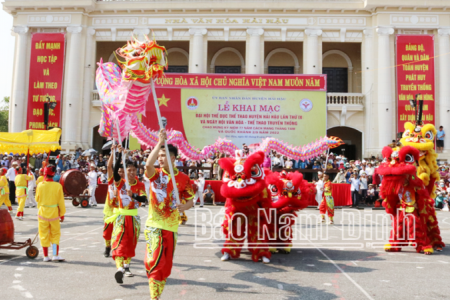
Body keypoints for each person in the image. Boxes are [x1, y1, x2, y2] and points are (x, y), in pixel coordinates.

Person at [144, 129, 195, 300]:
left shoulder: (183, 179)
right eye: (159, 155)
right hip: (154, 224)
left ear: (173, 158)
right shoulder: (155, 174)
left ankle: (157, 292)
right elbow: (147, 166)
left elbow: (190, 201)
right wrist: (159, 143)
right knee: (154, 259)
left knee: (165, 265)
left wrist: (183, 207)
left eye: (163, 155)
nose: (160, 158)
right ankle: (154, 296)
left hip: (172, 226)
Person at [106, 145, 147, 284]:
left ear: (137, 171)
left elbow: (144, 199)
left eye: (134, 170)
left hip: (134, 218)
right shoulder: (120, 183)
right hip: (121, 217)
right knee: (118, 242)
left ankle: (126, 266)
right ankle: (119, 269)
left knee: (130, 243)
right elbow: (114, 171)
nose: (131, 172)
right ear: (125, 171)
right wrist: (118, 154)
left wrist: (134, 195)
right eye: (129, 170)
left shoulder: (140, 185)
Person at [36, 165, 66, 262]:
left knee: (43, 234)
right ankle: (55, 255)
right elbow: (61, 201)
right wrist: (62, 214)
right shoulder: (58, 186)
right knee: (55, 234)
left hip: (43, 212)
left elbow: (37, 199)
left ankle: (45, 256)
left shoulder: (40, 185)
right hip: (54, 213)